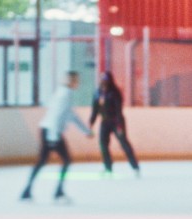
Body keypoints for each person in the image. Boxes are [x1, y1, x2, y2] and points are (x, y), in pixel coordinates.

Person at [20, 71, 93, 201]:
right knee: (63, 160)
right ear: (71, 81)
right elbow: (58, 115)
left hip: (49, 130)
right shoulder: (65, 94)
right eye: (76, 80)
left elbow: (70, 115)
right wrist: (53, 137)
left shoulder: (63, 93)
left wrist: (85, 131)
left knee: (46, 161)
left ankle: (29, 189)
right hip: (51, 132)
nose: (78, 83)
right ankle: (55, 191)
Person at [89, 71, 140, 178]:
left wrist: (120, 126)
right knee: (103, 144)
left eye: (105, 80)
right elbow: (95, 111)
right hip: (105, 122)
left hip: (116, 121)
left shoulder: (115, 93)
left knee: (124, 143)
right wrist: (91, 123)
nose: (103, 81)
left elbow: (118, 111)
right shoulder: (97, 94)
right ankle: (108, 167)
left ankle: (135, 167)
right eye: (102, 79)